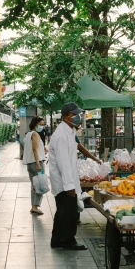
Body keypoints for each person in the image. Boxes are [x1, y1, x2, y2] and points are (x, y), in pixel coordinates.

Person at [48, 103, 87, 250]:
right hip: (64, 182)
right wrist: (69, 185)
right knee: (67, 212)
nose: (77, 117)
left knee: (64, 212)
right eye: (74, 114)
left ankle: (58, 240)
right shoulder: (61, 135)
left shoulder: (70, 132)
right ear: (65, 116)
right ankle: (67, 240)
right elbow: (63, 162)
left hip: (68, 180)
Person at [23, 116, 47, 215]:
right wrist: (38, 163)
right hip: (37, 163)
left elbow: (34, 148)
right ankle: (35, 206)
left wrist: (43, 149)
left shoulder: (28, 134)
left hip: (29, 163)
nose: (42, 126)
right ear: (35, 124)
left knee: (34, 186)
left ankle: (33, 206)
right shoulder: (35, 134)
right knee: (40, 185)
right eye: (41, 124)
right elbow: (35, 149)